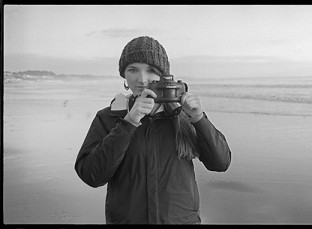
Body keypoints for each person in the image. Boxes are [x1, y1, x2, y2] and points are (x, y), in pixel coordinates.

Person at [75, 36, 231, 224]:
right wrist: (128, 123)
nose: (142, 79)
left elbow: (221, 163)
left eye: (151, 70)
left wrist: (199, 118)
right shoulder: (109, 117)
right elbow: (91, 175)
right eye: (133, 70)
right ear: (124, 75)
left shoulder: (183, 116)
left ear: (164, 76)